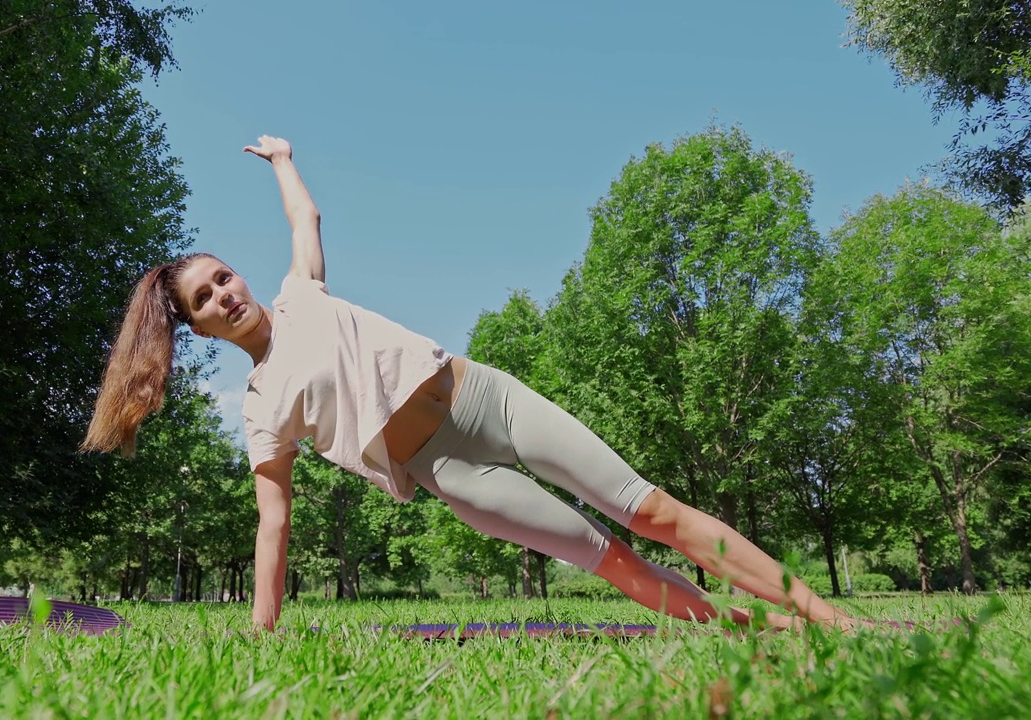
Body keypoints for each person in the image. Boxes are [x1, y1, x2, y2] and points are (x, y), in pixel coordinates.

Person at [82, 135, 865, 634]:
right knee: (615, 561)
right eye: (206, 300)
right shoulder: (260, 408)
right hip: (451, 470)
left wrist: (283, 160)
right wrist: (263, 630)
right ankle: (766, 629)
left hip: (485, 397)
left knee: (653, 511)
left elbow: (306, 221)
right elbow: (272, 526)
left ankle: (826, 616)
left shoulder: (300, 293)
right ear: (201, 328)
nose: (225, 294)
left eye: (223, 276)